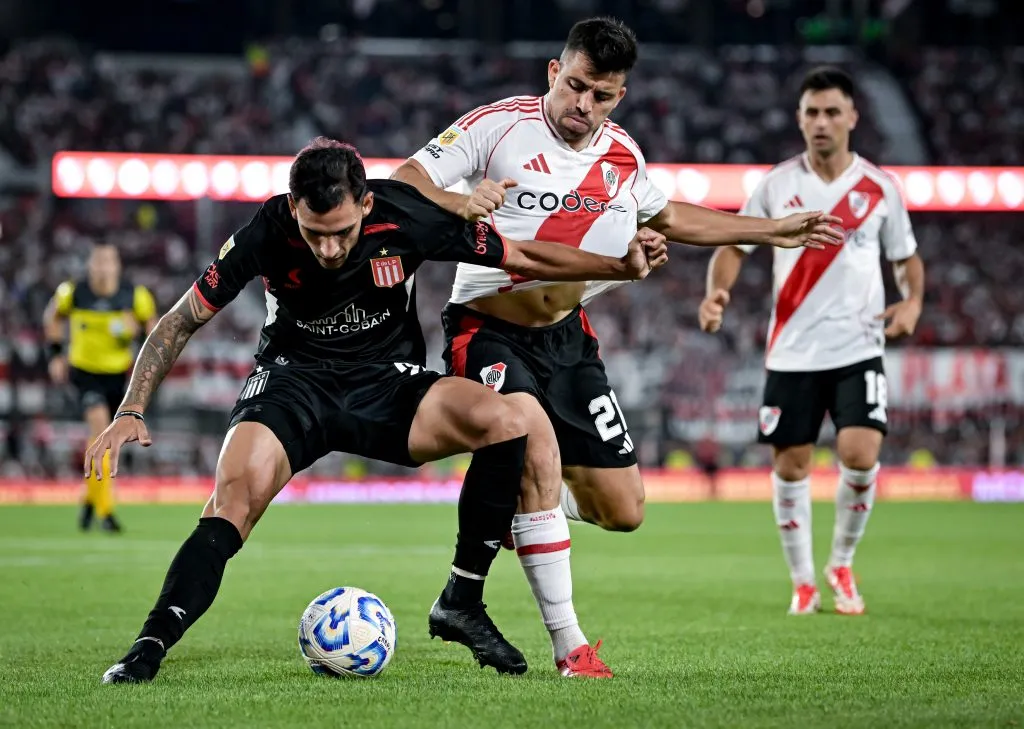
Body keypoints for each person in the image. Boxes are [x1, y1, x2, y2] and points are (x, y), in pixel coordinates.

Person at [92, 138, 666, 684]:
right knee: (231, 501)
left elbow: (520, 255)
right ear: (293, 208)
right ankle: (148, 646)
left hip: (387, 383)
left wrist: (619, 266)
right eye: (314, 234)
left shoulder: (405, 215)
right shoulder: (267, 229)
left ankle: (461, 600)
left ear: (366, 204)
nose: (329, 250)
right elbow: (181, 319)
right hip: (294, 383)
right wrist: (131, 408)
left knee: (508, 423)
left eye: (341, 233)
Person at [391, 15, 841, 659]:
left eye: (601, 95)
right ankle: (571, 647)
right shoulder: (497, 126)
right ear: (555, 71)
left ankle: (525, 505)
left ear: (620, 95)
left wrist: (770, 230)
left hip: (568, 338)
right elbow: (406, 179)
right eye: (575, 86)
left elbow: (671, 215)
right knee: (532, 442)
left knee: (623, 510)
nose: (584, 104)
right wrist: (456, 202)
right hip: (487, 328)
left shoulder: (623, 155)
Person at [698, 67, 925, 615]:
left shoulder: (879, 187)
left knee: (860, 453)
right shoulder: (776, 185)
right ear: (799, 120)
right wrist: (716, 294)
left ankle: (841, 563)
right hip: (793, 350)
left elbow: (906, 257)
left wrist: (913, 301)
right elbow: (732, 246)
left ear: (852, 117)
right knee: (791, 466)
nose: (821, 122)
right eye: (812, 113)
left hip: (859, 346)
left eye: (831, 112)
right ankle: (803, 580)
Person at [43, 242, 157, 532]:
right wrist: (55, 354)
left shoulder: (136, 296)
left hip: (119, 376)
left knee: (103, 437)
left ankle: (89, 500)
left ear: (118, 266)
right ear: (90, 265)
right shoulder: (73, 292)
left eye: (109, 261)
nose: (103, 267)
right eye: (98, 261)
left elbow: (154, 331)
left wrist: (135, 333)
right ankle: (106, 513)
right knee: (101, 430)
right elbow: (52, 316)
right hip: (85, 373)